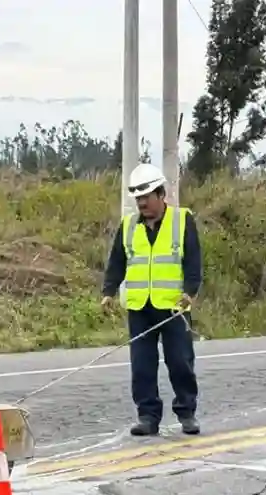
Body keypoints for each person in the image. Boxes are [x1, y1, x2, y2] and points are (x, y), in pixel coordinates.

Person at [100, 163, 202, 437]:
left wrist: (189, 292)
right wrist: (108, 292)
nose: (142, 203)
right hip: (139, 307)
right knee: (142, 366)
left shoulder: (182, 220)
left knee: (180, 362)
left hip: (172, 307)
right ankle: (147, 416)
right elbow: (117, 262)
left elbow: (193, 261)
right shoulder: (129, 226)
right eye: (138, 199)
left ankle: (187, 412)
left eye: (146, 197)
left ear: (161, 194)